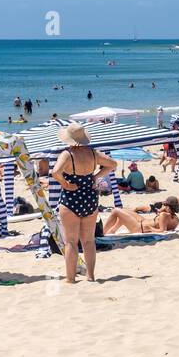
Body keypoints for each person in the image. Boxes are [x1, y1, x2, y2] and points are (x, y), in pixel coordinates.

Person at [50, 122, 117, 284]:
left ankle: (70, 278)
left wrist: (66, 184)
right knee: (88, 241)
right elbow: (113, 164)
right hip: (90, 198)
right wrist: (96, 176)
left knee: (71, 242)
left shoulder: (67, 154)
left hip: (71, 198)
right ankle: (91, 276)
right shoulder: (93, 153)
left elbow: (55, 173)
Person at [102, 197, 179, 235]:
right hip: (143, 222)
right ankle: (112, 230)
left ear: (167, 206)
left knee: (115, 211)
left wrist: (150, 228)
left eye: (164, 205)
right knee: (125, 212)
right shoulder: (177, 219)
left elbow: (162, 230)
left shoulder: (164, 215)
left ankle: (103, 233)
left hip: (139, 228)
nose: (162, 206)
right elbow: (167, 227)